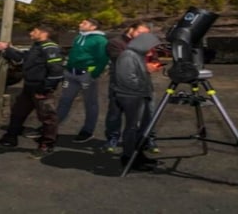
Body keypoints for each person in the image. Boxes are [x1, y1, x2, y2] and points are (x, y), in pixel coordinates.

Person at [0, 25, 64, 157]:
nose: (31, 33)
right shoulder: (36, 46)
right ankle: (10, 139)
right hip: (29, 87)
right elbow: (22, 58)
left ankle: (47, 145)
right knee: (17, 113)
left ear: (43, 33)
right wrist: (6, 49)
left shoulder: (50, 48)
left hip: (41, 89)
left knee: (48, 118)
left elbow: (57, 71)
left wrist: (45, 88)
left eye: (34, 31)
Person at [115, 31, 163, 171]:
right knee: (132, 127)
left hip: (138, 95)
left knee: (141, 127)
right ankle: (129, 157)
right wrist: (143, 88)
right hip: (132, 97)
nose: (151, 51)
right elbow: (128, 79)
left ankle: (137, 155)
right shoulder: (128, 56)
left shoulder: (136, 56)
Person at [57, 17, 109, 143]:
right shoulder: (78, 37)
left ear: (93, 27)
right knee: (64, 101)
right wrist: (67, 67)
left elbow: (103, 58)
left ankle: (88, 130)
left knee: (90, 103)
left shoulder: (100, 40)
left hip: (86, 75)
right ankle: (51, 127)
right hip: (71, 73)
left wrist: (94, 74)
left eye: (84, 23)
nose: (80, 24)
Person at [104, 20, 152, 152]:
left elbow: (153, 59)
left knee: (146, 113)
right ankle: (112, 138)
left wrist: (153, 65)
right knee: (115, 113)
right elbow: (121, 61)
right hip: (120, 83)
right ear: (131, 29)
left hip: (143, 83)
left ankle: (145, 138)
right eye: (140, 33)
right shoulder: (115, 42)